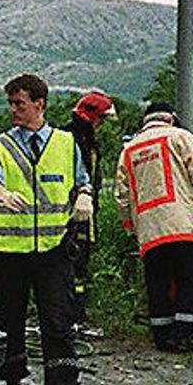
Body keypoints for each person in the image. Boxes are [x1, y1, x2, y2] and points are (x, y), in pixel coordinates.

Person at [0, 73, 91, 385]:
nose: (13, 110)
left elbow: (81, 178)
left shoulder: (65, 142)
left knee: (57, 324)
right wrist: (0, 194)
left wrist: (85, 196)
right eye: (10, 103)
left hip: (53, 250)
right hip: (8, 251)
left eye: (20, 104)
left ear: (39, 104)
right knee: (9, 322)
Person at [115, 104, 193, 352]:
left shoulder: (129, 150)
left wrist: (131, 225)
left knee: (157, 282)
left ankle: (160, 334)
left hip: (150, 229)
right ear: (170, 118)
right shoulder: (180, 137)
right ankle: (182, 334)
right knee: (187, 278)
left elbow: (121, 194)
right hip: (183, 223)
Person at [65, 91, 117, 332]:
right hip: (70, 215)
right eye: (101, 119)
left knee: (80, 264)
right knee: (72, 264)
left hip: (85, 212)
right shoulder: (70, 140)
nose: (102, 124)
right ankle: (70, 316)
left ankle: (76, 314)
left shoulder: (87, 141)